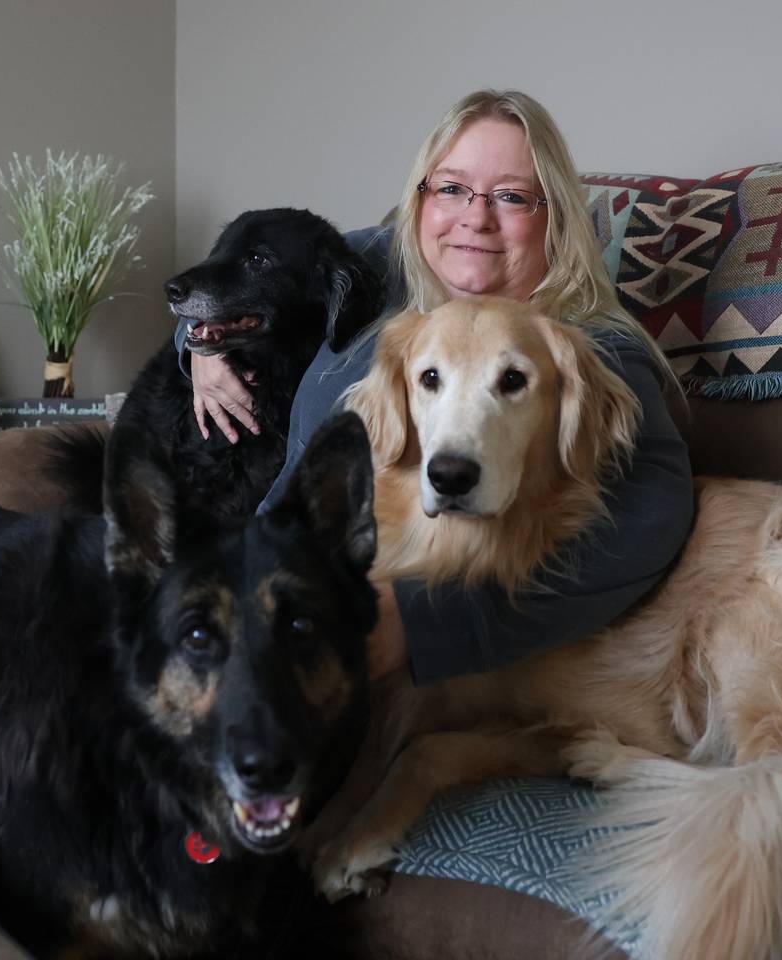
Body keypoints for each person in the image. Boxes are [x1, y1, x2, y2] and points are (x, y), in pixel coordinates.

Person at [176, 89, 695, 684]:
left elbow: (656, 509)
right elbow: (245, 267)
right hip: (255, 558)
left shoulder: (589, 352)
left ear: (557, 218)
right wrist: (203, 345)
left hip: (350, 615)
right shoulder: (380, 266)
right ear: (420, 200)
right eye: (451, 188)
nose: (475, 217)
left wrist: (418, 626)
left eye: (512, 196)